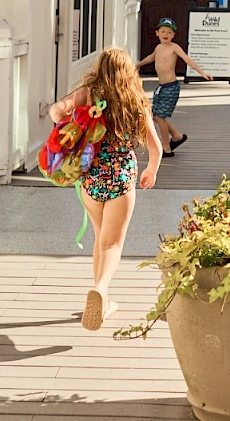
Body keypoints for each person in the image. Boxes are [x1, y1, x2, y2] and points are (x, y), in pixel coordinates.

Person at [48, 46, 162, 330]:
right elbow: (155, 147)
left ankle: (101, 298)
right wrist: (151, 170)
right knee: (113, 243)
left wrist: (71, 118)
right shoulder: (135, 101)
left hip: (91, 177)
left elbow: (54, 113)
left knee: (100, 237)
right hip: (121, 178)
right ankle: (100, 290)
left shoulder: (88, 93)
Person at [137, 19, 213, 156]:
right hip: (161, 87)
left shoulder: (174, 47)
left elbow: (187, 60)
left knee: (160, 117)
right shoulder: (158, 48)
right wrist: (137, 65)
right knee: (156, 116)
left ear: (173, 35)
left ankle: (166, 147)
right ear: (157, 33)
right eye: (163, 31)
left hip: (171, 87)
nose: (166, 34)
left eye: (169, 32)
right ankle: (177, 136)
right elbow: (150, 58)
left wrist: (202, 72)